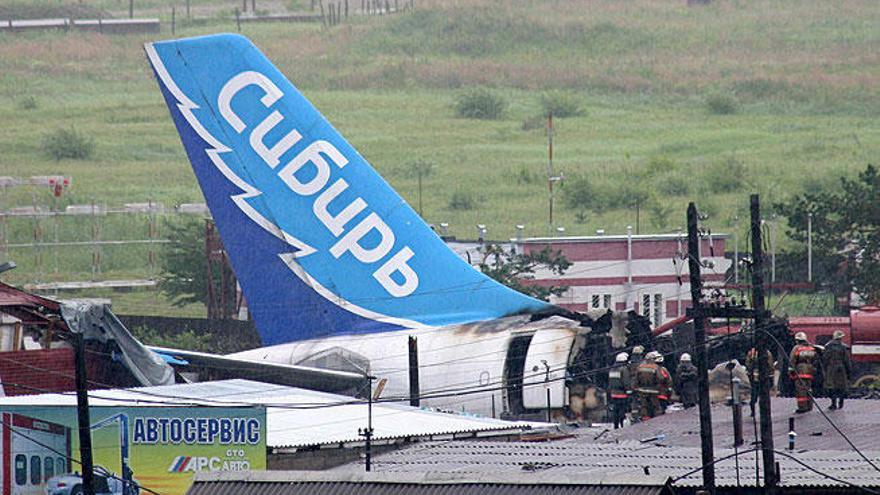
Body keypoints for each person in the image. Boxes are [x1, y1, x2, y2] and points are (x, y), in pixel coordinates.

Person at [789, 332, 819, 413]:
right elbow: (816, 360)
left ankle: (802, 407)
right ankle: (809, 406)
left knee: (800, 390)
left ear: (798, 340)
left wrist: (791, 371)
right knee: (808, 389)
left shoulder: (797, 348)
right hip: (810, 371)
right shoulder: (811, 348)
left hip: (800, 371)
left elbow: (792, 360)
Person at [822, 330, 851, 410]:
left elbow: (825, 359)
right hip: (841, 369)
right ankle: (841, 403)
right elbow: (847, 360)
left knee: (832, 387)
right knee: (841, 387)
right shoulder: (843, 347)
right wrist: (849, 372)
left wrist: (824, 368)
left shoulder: (828, 346)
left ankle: (833, 404)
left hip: (831, 369)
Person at [635, 351, 665, 419]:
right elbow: (661, 378)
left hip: (642, 390)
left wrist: (636, 387)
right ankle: (656, 418)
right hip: (653, 390)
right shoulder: (656, 367)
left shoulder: (640, 367)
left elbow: (636, 379)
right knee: (655, 406)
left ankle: (645, 418)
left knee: (644, 406)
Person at [745, 346, 774, 416]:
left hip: (754, 378)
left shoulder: (751, 353)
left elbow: (748, 364)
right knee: (764, 395)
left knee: (754, 395)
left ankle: (753, 411)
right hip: (763, 377)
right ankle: (765, 411)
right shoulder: (767, 352)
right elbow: (770, 364)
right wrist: (770, 374)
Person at [607, 352, 631, 429]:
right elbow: (626, 381)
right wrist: (629, 391)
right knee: (622, 410)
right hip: (622, 394)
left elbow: (610, 382)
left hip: (614, 393)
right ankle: (622, 424)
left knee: (615, 410)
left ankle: (616, 425)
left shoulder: (612, 369)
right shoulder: (624, 369)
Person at [629, 345, 645, 419]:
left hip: (632, 383)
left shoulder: (629, 363)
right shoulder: (641, 363)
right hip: (640, 383)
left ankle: (634, 415)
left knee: (634, 400)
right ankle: (641, 414)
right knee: (641, 399)